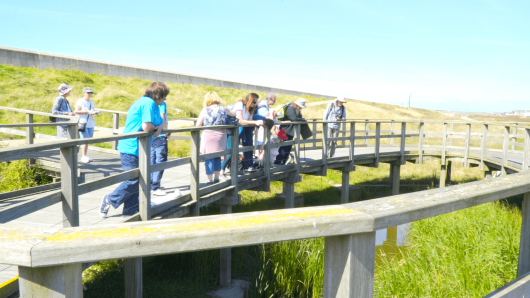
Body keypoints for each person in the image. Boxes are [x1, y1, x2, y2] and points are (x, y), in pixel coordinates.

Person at [100, 82, 167, 218]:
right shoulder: (148, 103)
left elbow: (159, 122)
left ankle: (129, 211)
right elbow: (147, 126)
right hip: (132, 147)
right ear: (157, 95)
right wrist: (158, 127)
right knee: (133, 180)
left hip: (139, 147)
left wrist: (159, 126)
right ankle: (109, 199)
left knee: (140, 179)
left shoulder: (149, 103)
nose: (165, 99)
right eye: (164, 96)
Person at [196, 91, 237, 184]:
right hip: (221, 135)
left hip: (208, 135)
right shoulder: (223, 109)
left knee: (209, 157)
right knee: (218, 156)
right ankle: (217, 178)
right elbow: (234, 114)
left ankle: (210, 180)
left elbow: (198, 124)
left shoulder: (205, 110)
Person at [231, 93, 264, 173]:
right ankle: (230, 168)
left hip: (245, 128)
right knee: (233, 148)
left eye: (256, 103)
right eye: (254, 102)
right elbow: (240, 120)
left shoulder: (250, 108)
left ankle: (249, 165)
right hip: (236, 128)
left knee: (249, 145)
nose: (255, 104)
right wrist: (255, 122)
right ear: (249, 100)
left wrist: (256, 122)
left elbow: (249, 120)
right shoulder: (240, 104)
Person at [274, 98, 307, 165]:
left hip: (290, 131)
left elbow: (297, 118)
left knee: (288, 147)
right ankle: (277, 162)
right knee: (283, 147)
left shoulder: (297, 110)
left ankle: (283, 162)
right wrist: (303, 119)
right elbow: (294, 118)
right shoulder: (290, 108)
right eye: (300, 107)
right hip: (285, 131)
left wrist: (301, 119)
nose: (301, 108)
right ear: (297, 105)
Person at [150, 98, 170, 196]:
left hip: (152, 135)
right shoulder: (162, 103)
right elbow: (162, 116)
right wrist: (166, 131)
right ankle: (155, 186)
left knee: (152, 159)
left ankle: (151, 184)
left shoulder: (151, 103)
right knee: (160, 160)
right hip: (160, 135)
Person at [75, 87, 98, 163]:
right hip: (83, 123)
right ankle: (83, 156)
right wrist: (87, 111)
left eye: (91, 93)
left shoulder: (91, 102)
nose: (90, 94)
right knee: (85, 140)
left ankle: (85, 155)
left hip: (90, 123)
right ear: (84, 93)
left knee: (88, 140)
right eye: (88, 93)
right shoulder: (80, 101)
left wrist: (94, 112)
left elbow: (91, 111)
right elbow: (77, 111)